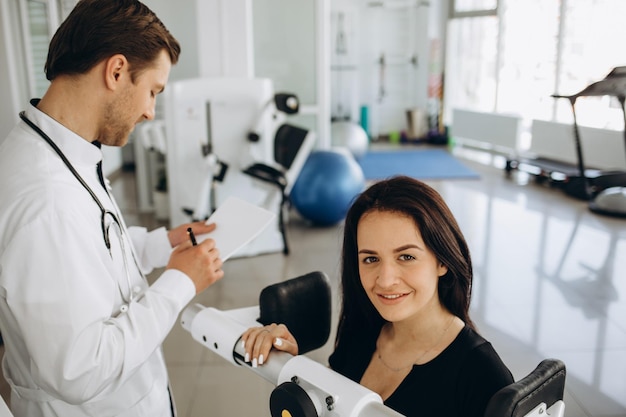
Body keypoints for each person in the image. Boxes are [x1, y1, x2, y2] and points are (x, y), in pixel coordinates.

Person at [0, 1, 224, 416]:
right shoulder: (46, 199)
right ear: (116, 71)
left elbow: (87, 253)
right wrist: (179, 284)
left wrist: (161, 245)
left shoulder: (63, 151)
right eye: (153, 91)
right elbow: (80, 371)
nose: (149, 111)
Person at [242, 175, 514, 417]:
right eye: (370, 258)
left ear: (442, 261)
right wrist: (294, 367)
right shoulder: (363, 328)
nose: (385, 280)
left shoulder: (483, 376)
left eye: (406, 256)